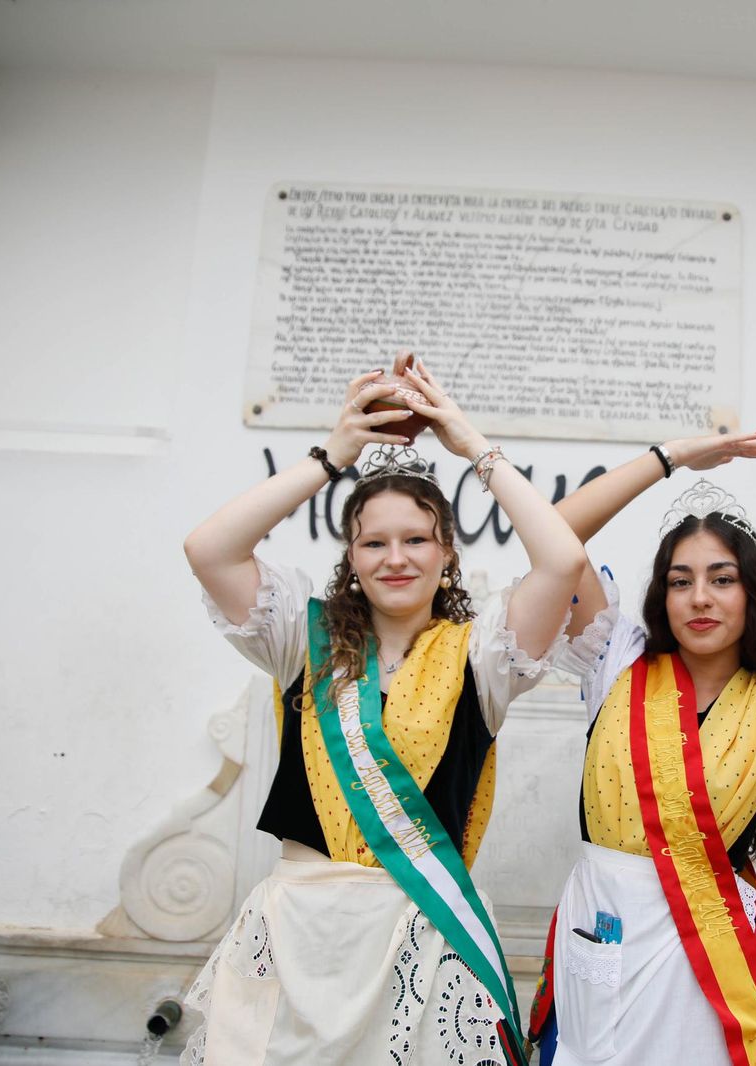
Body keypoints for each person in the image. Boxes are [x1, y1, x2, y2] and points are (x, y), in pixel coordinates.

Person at [179, 358, 586, 1066]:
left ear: (447, 553)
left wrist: (469, 445)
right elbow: (208, 548)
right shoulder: (302, 641)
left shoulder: (482, 658)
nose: (396, 557)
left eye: (417, 539)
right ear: (352, 556)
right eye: (374, 541)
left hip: (421, 940)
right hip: (297, 930)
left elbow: (561, 559)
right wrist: (332, 453)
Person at [528, 434, 756, 1066]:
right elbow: (555, 533)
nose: (700, 597)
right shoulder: (618, 659)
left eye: (722, 579)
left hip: (708, 959)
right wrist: (670, 457)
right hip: (603, 933)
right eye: (681, 581)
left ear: (750, 593)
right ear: (662, 598)